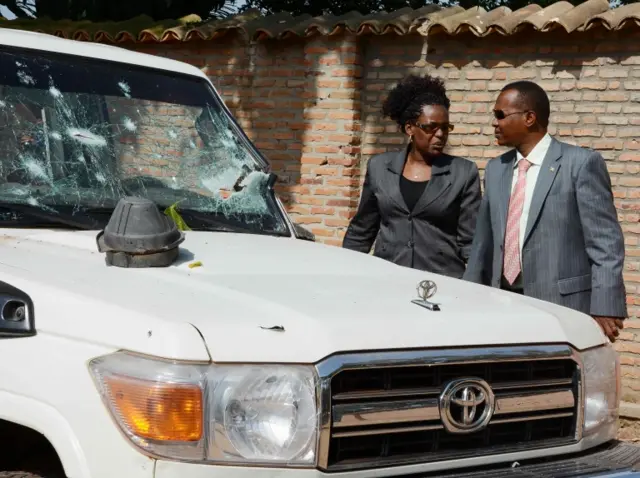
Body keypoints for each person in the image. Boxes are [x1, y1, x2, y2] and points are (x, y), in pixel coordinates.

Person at [463, 80, 627, 341]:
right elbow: (483, 244)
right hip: (502, 303)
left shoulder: (580, 164)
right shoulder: (496, 169)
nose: (495, 123)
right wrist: (468, 297)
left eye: (500, 115)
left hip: (562, 306)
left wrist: (606, 306)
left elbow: (605, 243)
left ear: (529, 118)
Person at [342, 74, 481, 279]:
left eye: (445, 127)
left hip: (443, 281)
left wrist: (474, 287)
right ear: (410, 128)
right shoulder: (380, 168)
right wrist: (344, 273)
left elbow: (471, 240)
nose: (440, 134)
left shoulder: (463, 172)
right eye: (430, 127)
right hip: (388, 277)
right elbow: (362, 229)